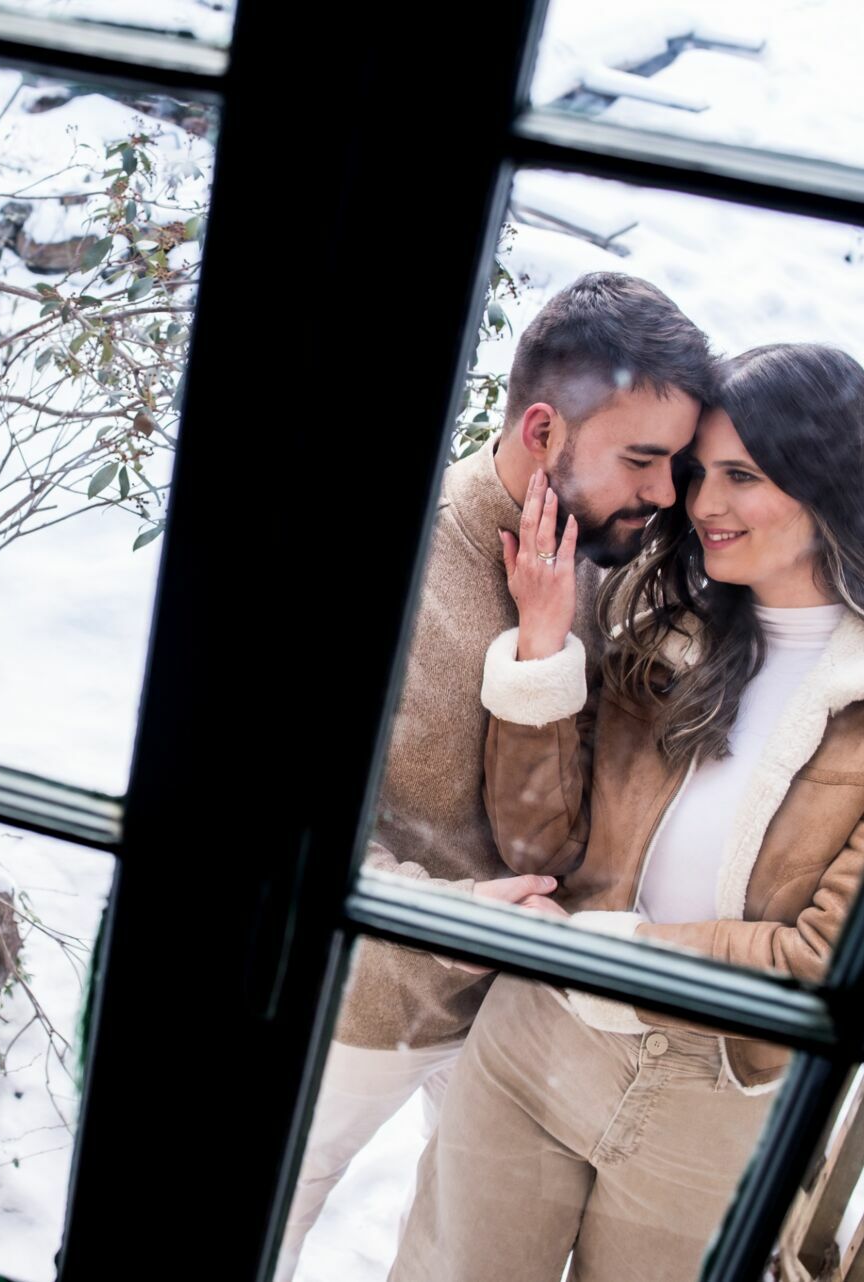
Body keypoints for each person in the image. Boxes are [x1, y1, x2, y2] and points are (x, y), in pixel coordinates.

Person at [387, 343, 864, 1282]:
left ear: (827, 482)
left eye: (742, 476)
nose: (702, 505)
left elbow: (827, 971)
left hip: (713, 1103)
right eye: (696, 474)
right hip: (538, 1039)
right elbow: (546, 848)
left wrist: (610, 948)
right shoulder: (672, 637)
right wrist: (542, 648)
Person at [276, 272, 715, 1282]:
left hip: (518, 1022)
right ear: (543, 430)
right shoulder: (401, 566)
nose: (663, 494)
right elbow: (301, 828)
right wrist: (457, 912)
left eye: (675, 464)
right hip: (366, 1009)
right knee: (264, 1221)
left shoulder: (616, 559)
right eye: (642, 459)